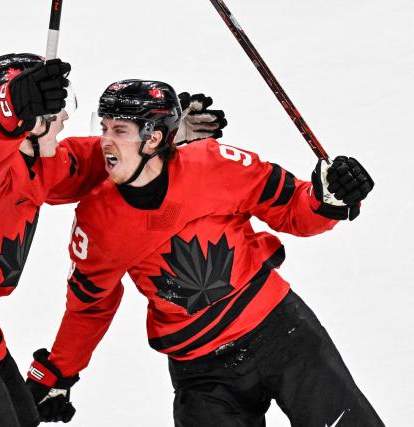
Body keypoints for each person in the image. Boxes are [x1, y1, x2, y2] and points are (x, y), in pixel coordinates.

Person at [0, 53, 227, 426]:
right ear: (30, 119)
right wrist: (10, 113)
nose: (64, 118)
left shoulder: (43, 162)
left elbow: (103, 158)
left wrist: (163, 133)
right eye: (55, 109)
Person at [25, 79, 383, 426]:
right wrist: (59, 371)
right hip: (201, 372)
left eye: (119, 130)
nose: (104, 141)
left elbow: (292, 207)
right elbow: (90, 306)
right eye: (103, 127)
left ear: (153, 138)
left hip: (282, 332)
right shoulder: (98, 219)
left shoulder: (214, 164)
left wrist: (328, 199)